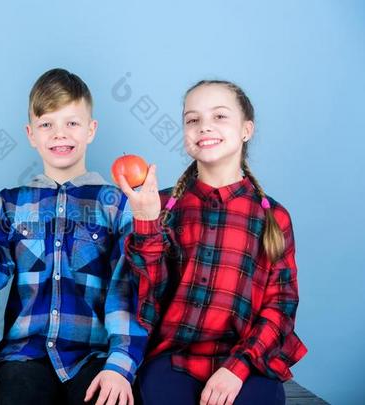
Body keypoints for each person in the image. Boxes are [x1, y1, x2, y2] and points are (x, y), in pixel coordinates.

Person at [0, 68, 147, 405]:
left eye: (71, 123)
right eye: (46, 124)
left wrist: (120, 364)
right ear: (31, 134)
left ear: (91, 130)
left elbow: (127, 289)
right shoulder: (10, 203)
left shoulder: (116, 204)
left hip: (94, 357)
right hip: (26, 357)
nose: (59, 134)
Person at [119, 80, 307, 405]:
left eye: (219, 116)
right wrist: (147, 222)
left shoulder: (273, 217)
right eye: (192, 119)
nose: (204, 126)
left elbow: (281, 305)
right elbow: (149, 292)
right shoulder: (162, 206)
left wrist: (239, 366)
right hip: (174, 358)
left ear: (247, 129)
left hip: (248, 360)